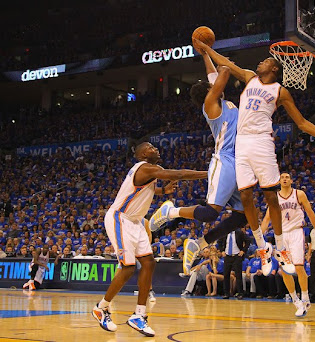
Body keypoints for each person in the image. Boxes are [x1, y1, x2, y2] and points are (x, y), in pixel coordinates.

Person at [193, 38, 315, 276]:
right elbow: (225, 63)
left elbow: (302, 122)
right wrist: (206, 50)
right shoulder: (249, 77)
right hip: (242, 143)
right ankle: (262, 247)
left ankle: (280, 248)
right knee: (246, 195)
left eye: (265, 60)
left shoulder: (281, 91)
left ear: (274, 68)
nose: (260, 62)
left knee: (271, 198)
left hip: (262, 142)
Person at [92, 142, 207, 337]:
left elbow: (147, 191)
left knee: (148, 263)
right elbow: (178, 174)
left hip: (135, 221)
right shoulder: (144, 168)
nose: (156, 149)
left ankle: (139, 315)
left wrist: (163, 192)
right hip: (120, 218)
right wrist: (208, 173)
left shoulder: (151, 171)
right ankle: (101, 307)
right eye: (152, 147)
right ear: (143, 154)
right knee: (128, 267)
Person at [149, 53, 247, 275]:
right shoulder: (211, 105)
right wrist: (213, 52)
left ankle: (199, 244)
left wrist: (204, 53)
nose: (215, 85)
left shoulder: (221, 101)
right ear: (209, 93)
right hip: (226, 160)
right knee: (211, 213)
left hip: (239, 162)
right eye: (211, 87)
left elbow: (213, 75)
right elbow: (223, 72)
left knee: (243, 217)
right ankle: (171, 212)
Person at [262, 173, 315, 316]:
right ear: (279, 181)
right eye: (282, 177)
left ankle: (305, 297)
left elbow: (310, 212)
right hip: (281, 236)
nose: (284, 179)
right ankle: (296, 300)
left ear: (291, 180)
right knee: (285, 270)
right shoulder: (274, 198)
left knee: (299, 267)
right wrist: (259, 238)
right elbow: (266, 219)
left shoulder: (299, 194)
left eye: (287, 177)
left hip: (296, 233)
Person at [218, 228, 250, 299]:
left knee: (238, 275)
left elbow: (248, 240)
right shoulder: (225, 233)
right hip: (227, 256)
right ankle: (226, 293)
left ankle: (240, 293)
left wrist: (243, 250)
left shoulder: (239, 233)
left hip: (237, 256)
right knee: (226, 275)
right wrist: (222, 251)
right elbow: (219, 241)